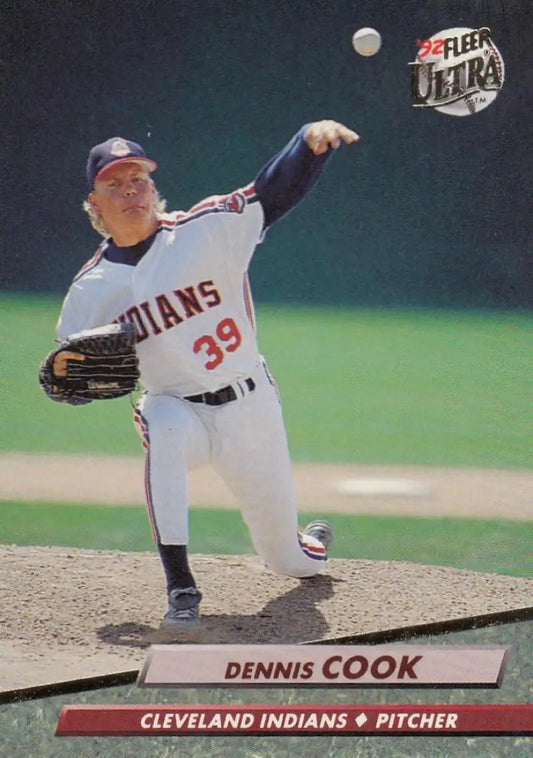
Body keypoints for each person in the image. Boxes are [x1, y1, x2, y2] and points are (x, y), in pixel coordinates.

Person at [51, 120, 359, 634]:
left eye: (138, 180)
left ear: (153, 188)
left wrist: (307, 143)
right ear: (95, 203)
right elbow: (71, 371)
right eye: (114, 184)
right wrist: (72, 381)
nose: (130, 191)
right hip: (178, 409)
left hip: (250, 407)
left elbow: (270, 192)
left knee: (288, 560)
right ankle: (181, 587)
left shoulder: (206, 229)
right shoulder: (91, 288)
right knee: (162, 422)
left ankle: (311, 542)